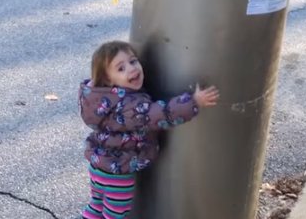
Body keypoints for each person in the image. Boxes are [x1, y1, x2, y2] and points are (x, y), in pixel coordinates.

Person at [78, 40, 220, 219]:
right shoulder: (129, 106)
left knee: (96, 207)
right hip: (117, 175)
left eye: (133, 61)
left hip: (97, 166)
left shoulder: (99, 98)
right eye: (120, 68)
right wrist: (193, 102)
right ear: (107, 79)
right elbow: (159, 114)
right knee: (114, 215)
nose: (131, 69)